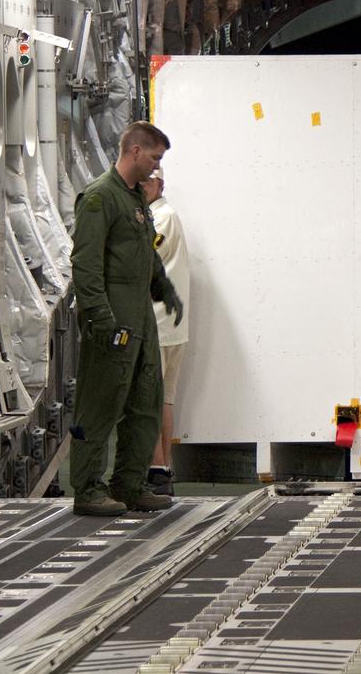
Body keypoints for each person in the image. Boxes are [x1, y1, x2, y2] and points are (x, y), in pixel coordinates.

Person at [69, 122, 184, 516]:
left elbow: (145, 253)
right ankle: (87, 489)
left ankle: (130, 484)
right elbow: (85, 265)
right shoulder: (100, 198)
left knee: (145, 404)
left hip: (141, 322)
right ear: (135, 151)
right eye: (154, 158)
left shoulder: (135, 199)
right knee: (99, 405)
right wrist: (100, 318)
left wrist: (163, 287)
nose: (156, 167)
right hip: (112, 323)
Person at [144, 170, 189, 496]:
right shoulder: (160, 216)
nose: (141, 186)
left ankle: (157, 471)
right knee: (163, 399)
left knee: (151, 400)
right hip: (169, 328)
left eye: (148, 181)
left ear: (160, 184)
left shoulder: (162, 218)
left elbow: (144, 258)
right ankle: (163, 470)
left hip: (159, 326)